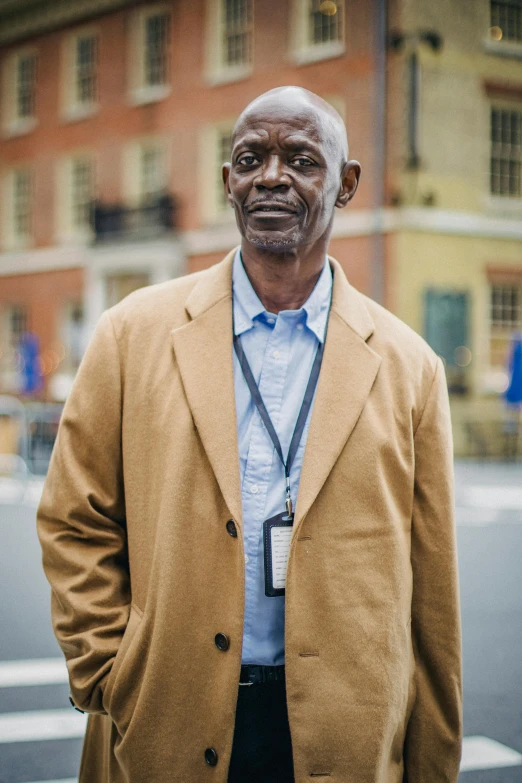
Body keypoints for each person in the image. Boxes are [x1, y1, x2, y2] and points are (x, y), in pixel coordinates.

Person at [37, 86, 462, 783]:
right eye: (249, 158)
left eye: (301, 158)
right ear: (227, 183)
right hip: (163, 720)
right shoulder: (129, 334)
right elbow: (71, 519)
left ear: (347, 182)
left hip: (347, 736)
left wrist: (434, 761)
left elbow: (434, 601)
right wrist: (111, 672)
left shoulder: (412, 366)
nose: (271, 176)